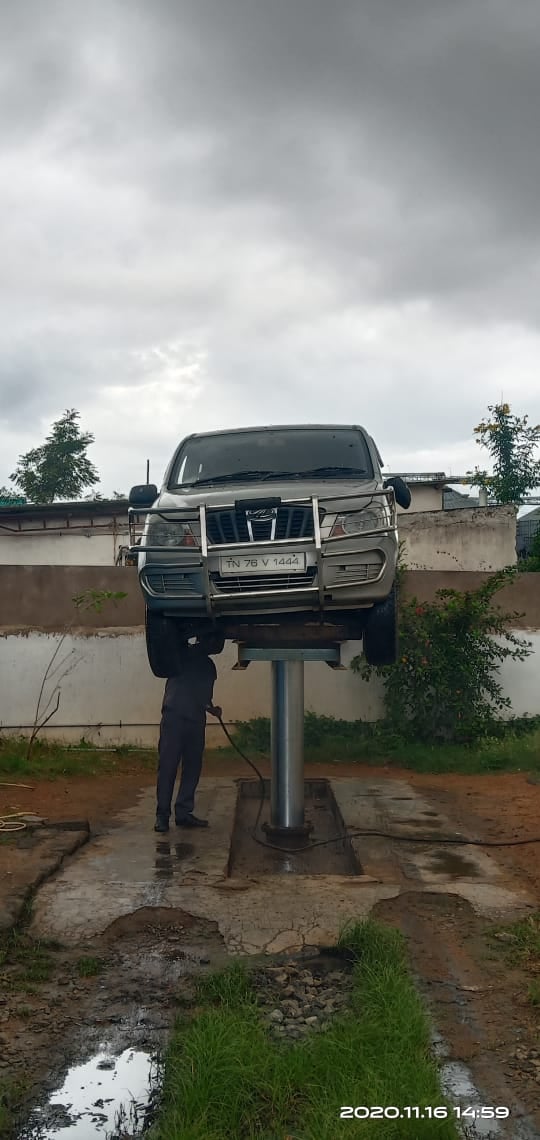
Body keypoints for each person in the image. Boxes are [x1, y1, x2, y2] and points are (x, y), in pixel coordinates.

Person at [154, 631, 224, 833]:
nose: (213, 646)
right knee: (169, 766)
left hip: (193, 719)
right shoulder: (181, 653)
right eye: (212, 640)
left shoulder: (207, 666)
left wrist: (212, 709)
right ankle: (163, 816)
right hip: (174, 717)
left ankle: (182, 813)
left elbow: (204, 697)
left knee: (190, 767)